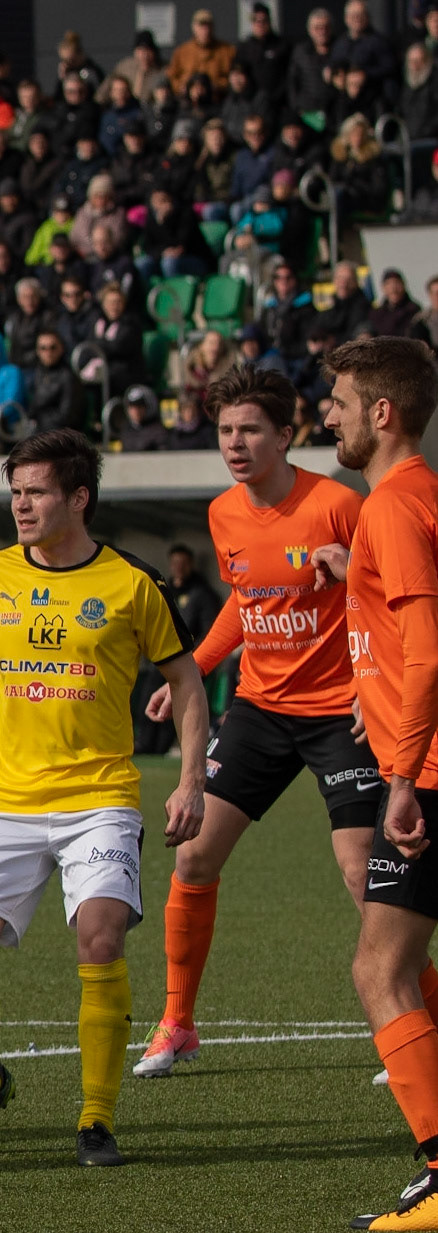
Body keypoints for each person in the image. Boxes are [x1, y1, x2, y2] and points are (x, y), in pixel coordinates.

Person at [0, 429, 207, 1168]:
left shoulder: (132, 582)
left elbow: (185, 681)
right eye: (15, 491)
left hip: (101, 799)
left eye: (37, 491)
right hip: (9, 799)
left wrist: (190, 779)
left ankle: (95, 1119)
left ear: (78, 497)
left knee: (100, 936)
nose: (22, 504)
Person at [130, 369, 370, 1078]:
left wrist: (377, 679)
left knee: (366, 875)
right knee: (194, 856)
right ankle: (177, 1021)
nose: (235, 443)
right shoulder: (223, 513)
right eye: (226, 430)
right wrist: (193, 668)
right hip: (260, 711)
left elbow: (387, 592)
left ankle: (412, 1020)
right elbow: (246, 599)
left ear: (285, 435)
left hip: (339, 713)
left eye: (251, 429)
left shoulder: (337, 503)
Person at [307, 338, 438, 1231]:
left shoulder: (391, 505)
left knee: (381, 968)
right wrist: (375, 694)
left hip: (428, 776)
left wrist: (399, 772)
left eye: (342, 402)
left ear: (381, 413)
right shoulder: (421, 496)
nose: (332, 416)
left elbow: (428, 648)